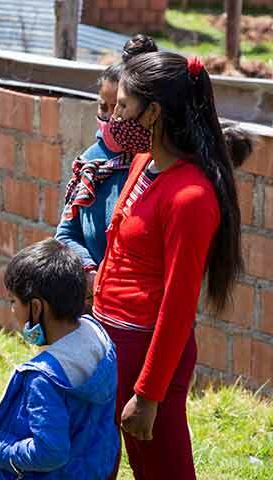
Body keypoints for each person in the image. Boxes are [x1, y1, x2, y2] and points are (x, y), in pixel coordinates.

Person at [93, 53, 244, 479]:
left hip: (147, 355)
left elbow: (178, 305)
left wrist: (148, 393)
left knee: (162, 470)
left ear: (153, 113)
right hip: (111, 343)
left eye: (123, 106)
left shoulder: (191, 197)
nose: (114, 116)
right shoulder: (144, 163)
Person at [0, 238, 119, 480]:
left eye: (13, 301)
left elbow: (50, 452)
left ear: (36, 308)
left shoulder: (43, 379)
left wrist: (3, 452)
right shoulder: (99, 339)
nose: (12, 310)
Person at [55, 34, 158, 292]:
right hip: (94, 296)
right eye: (104, 107)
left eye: (119, 107)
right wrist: (91, 273)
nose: (112, 117)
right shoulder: (90, 164)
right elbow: (67, 234)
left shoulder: (156, 167)